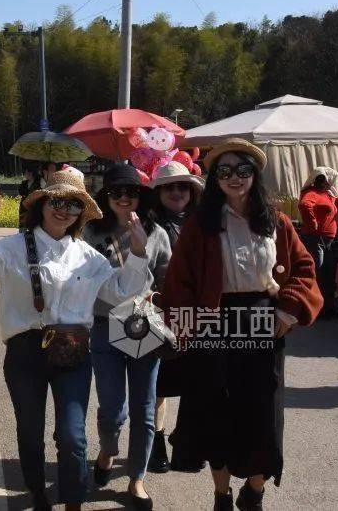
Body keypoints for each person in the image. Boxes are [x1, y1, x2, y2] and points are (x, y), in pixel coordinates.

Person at [0, 168, 152, 511]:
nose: (64, 210)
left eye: (74, 205)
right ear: (44, 202)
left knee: (73, 437)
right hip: (24, 353)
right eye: (58, 201)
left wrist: (137, 253)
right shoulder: (13, 247)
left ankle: (74, 503)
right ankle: (38, 495)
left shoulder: (88, 257)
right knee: (30, 436)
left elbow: (122, 292)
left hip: (73, 353)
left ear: (82, 213)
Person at [157, 138, 322, 511]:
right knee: (216, 411)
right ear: (215, 177)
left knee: (262, 410)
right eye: (225, 171)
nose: (235, 178)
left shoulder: (276, 220)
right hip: (214, 322)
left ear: (254, 175)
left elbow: (305, 269)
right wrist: (189, 327)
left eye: (243, 170)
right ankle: (221, 494)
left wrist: (288, 309)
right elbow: (178, 282)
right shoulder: (201, 224)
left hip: (265, 320)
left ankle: (256, 489)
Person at [84, 164, 171, 510]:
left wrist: (160, 306)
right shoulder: (91, 233)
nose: (124, 198)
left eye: (131, 192)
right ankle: (107, 450)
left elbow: (167, 278)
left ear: (140, 196)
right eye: (117, 192)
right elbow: (84, 279)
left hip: (142, 323)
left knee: (145, 408)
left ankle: (137, 478)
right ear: (106, 197)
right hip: (105, 325)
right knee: (111, 408)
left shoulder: (156, 233)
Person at [146, 161, 205, 475]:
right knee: (160, 384)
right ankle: (155, 444)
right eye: (169, 186)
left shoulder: (204, 222)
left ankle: (188, 442)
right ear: (158, 192)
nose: (177, 192)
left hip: (197, 312)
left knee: (197, 380)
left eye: (183, 186)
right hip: (160, 312)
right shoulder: (148, 222)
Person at [298, 167, 338, 317]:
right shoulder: (311, 193)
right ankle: (311, 306)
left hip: (326, 239)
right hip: (316, 238)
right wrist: (312, 222)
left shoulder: (327, 194)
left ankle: (324, 307)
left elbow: (336, 202)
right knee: (317, 271)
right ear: (324, 182)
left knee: (327, 272)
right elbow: (304, 205)